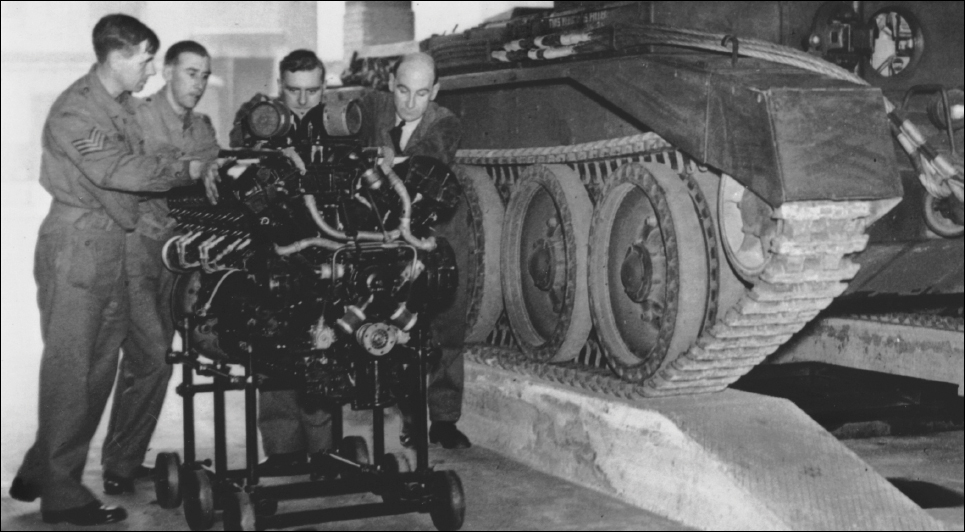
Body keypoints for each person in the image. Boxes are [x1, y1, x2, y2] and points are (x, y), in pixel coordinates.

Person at [8, 14, 217, 527]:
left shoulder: (118, 107)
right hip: (77, 247)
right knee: (72, 374)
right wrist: (185, 169)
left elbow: (140, 159)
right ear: (121, 56)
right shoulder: (76, 113)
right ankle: (61, 495)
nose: (150, 67)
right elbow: (117, 170)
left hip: (108, 244)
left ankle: (42, 469)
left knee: (95, 375)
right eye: (147, 58)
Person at [100, 40, 221, 496]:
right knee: (151, 357)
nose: (199, 83)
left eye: (205, 75)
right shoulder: (137, 115)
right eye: (192, 73)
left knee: (152, 360)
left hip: (180, 257)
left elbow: (211, 179)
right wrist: (185, 168)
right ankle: (119, 463)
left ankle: (123, 458)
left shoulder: (204, 129)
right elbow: (135, 170)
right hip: (137, 249)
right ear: (168, 71)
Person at [229, 50, 337, 478]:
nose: (303, 100)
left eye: (312, 91)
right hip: (271, 251)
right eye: (294, 90)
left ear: (324, 90)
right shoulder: (263, 123)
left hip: (321, 251)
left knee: (321, 345)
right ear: (280, 87)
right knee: (272, 346)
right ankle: (282, 448)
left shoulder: (333, 127)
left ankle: (324, 450)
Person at [358, 52, 469, 450]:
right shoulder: (373, 106)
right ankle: (409, 418)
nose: (410, 103)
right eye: (403, 90)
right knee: (396, 324)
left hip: (438, 233)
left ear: (434, 92)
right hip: (388, 235)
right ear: (391, 83)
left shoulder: (445, 122)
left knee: (445, 325)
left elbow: (428, 160)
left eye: (421, 94)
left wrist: (384, 159)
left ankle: (444, 419)